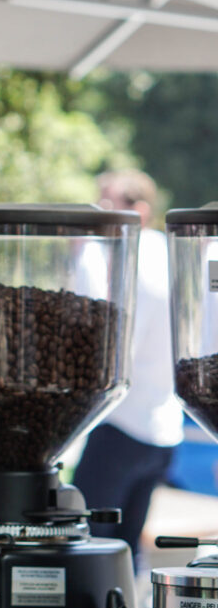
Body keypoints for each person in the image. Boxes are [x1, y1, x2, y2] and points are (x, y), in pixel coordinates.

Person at [74, 169, 184, 569]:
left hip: (119, 425)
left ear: (138, 210)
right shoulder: (170, 252)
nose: (98, 211)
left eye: (109, 202)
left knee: (84, 545)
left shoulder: (122, 258)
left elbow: (108, 347)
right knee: (126, 551)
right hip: (162, 433)